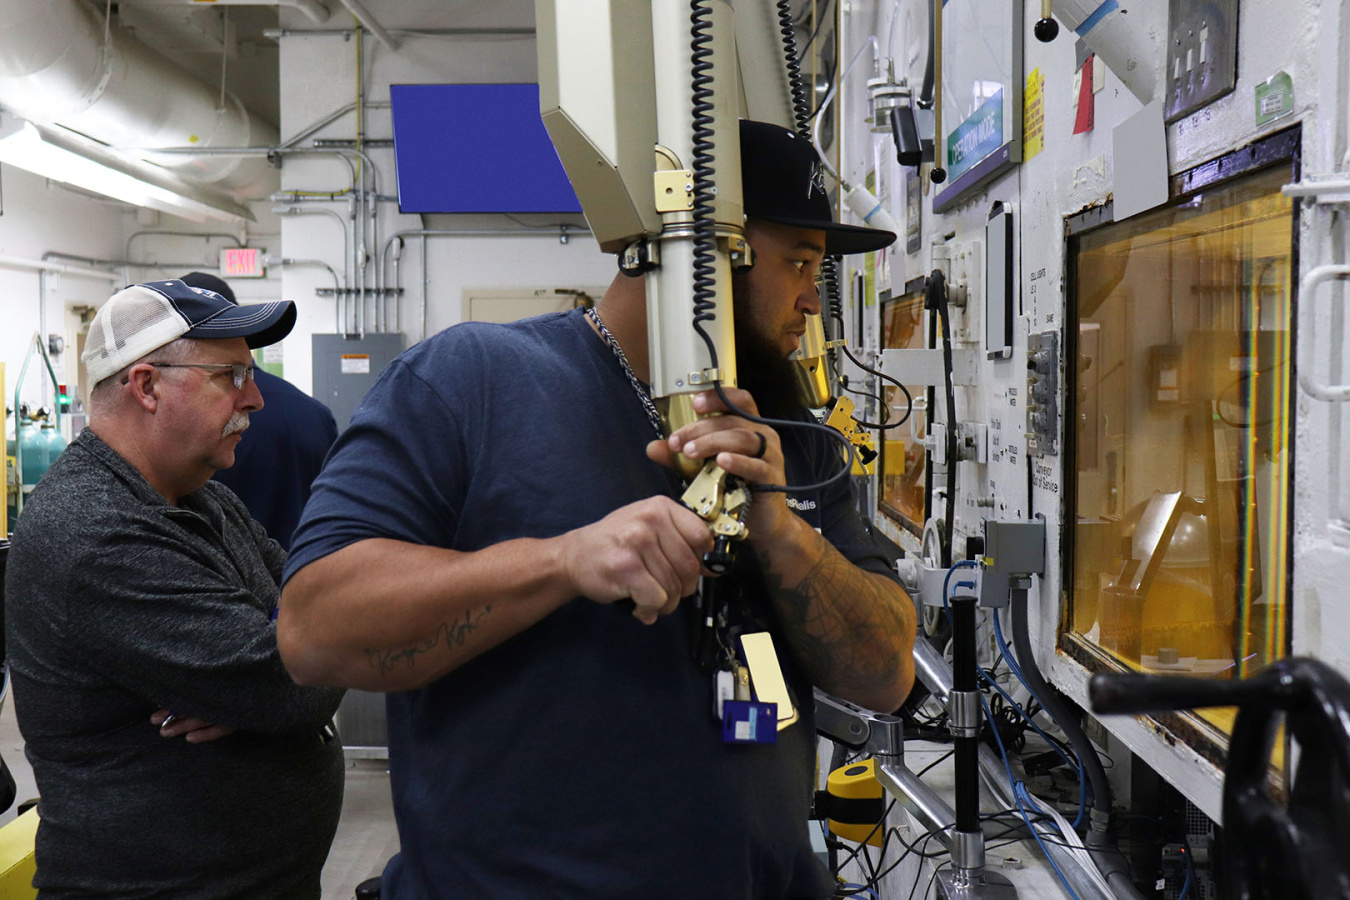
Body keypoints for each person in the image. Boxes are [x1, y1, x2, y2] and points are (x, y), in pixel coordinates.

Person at [278, 120, 918, 899]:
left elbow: (886, 677)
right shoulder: (471, 381)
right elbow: (313, 631)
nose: (811, 300)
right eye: (800, 262)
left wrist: (782, 536)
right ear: (707, 253)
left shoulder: (791, 442)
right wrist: (561, 562)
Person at [5, 280, 346, 898]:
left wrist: (286, 642)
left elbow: (318, 602)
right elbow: (290, 681)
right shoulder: (93, 530)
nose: (258, 400)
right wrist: (282, 647)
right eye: (232, 376)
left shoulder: (204, 497)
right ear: (147, 386)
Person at [180, 271, 339, 550]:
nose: (253, 400)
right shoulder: (315, 414)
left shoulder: (194, 428)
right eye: (225, 375)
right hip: (303, 572)